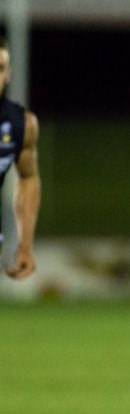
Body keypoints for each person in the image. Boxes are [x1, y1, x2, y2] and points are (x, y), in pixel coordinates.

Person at [0, 37, 41, 280]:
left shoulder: (20, 125)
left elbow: (28, 178)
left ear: (8, 75)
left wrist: (25, 244)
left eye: (0, 68)